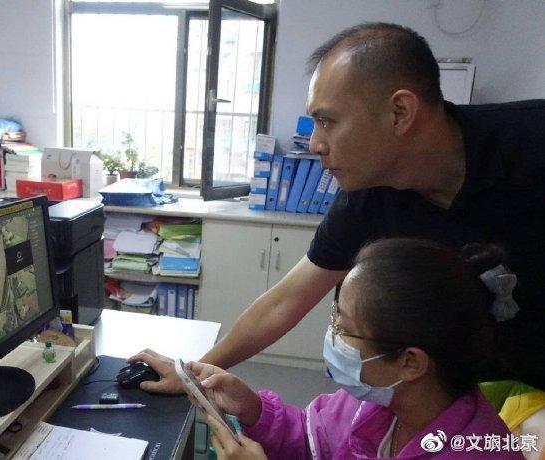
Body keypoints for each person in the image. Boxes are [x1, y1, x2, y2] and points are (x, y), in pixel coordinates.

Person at [129, 22, 545, 392]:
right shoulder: (367, 196)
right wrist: (192, 374)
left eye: (327, 121)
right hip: (476, 394)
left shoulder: (531, 145)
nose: (315, 144)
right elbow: (287, 300)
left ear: (400, 112)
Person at [184, 239, 524, 459]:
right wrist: (253, 408)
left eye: (344, 328)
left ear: (410, 363)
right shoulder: (376, 403)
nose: (332, 336)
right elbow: (313, 441)